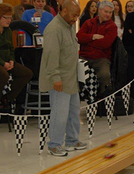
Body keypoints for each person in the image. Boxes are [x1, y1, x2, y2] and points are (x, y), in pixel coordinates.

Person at [39, 0, 87, 156]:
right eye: (74, 15)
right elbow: (51, 57)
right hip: (59, 79)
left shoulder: (69, 26)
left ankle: (72, 140)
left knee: (73, 111)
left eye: (78, 15)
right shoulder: (54, 29)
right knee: (59, 113)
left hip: (71, 77)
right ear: (64, 11)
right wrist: (55, 78)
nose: (76, 19)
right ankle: (54, 144)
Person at [77, 0, 117, 95]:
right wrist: (93, 37)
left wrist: (87, 42)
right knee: (72, 73)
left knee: (104, 76)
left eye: (110, 12)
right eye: (106, 11)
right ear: (99, 10)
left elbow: (105, 44)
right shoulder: (88, 23)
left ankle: (102, 98)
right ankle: (78, 97)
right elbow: (78, 37)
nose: (108, 14)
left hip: (101, 58)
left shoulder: (112, 27)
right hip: (84, 57)